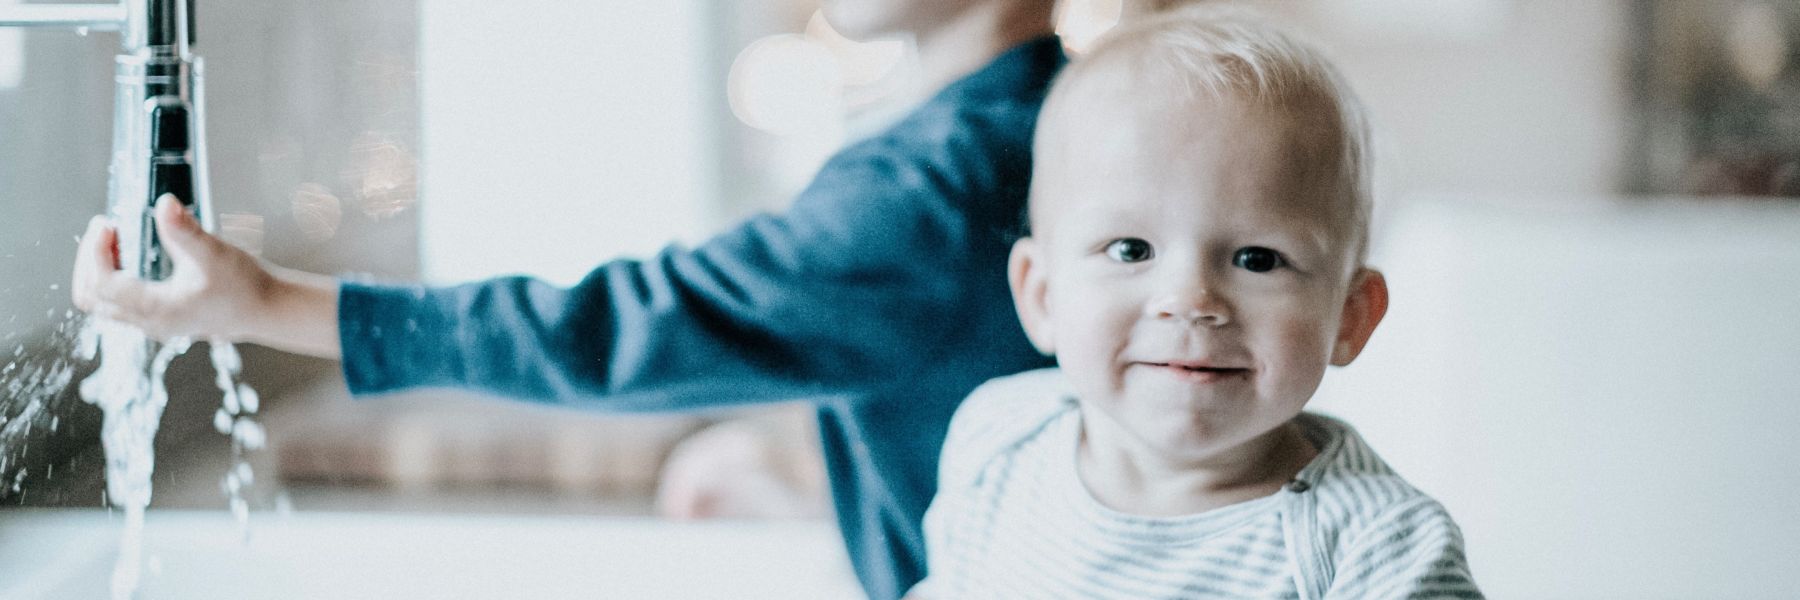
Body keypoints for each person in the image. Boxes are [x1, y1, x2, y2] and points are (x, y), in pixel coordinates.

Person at [73, 1, 1061, 597]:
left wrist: (265, 303)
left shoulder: (930, 189)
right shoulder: (1051, 115)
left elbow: (623, 327)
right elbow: (985, 383)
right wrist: (817, 480)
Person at [905, 6, 1482, 598]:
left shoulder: (1378, 548)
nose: (1190, 300)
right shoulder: (997, 442)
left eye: (1257, 258)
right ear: (1042, 295)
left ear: (1351, 317)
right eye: (1130, 249)